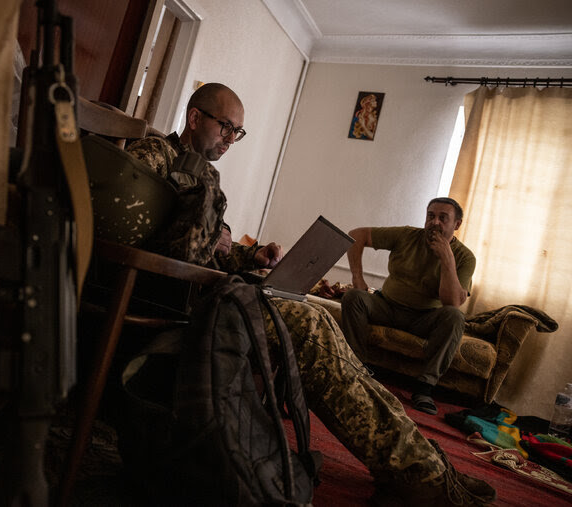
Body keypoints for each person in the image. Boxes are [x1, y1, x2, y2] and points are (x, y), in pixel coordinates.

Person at [126, 83, 494, 505]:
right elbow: (145, 239)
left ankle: (424, 462)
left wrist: (254, 255)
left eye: (237, 132)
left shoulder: (201, 171)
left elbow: (211, 249)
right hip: (186, 299)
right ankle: (414, 472)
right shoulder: (152, 156)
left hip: (214, 294)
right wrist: (214, 237)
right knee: (308, 325)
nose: (231, 139)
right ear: (194, 119)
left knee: (319, 322)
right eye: (226, 127)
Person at [342, 198, 475, 416]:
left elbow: (452, 302)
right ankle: (357, 366)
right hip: (387, 306)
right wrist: (358, 278)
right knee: (353, 297)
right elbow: (356, 235)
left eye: (443, 218)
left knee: (454, 317)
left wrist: (447, 258)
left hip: (424, 319)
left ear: (457, 224)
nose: (435, 223)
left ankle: (424, 388)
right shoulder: (407, 235)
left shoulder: (465, 257)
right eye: (431, 216)